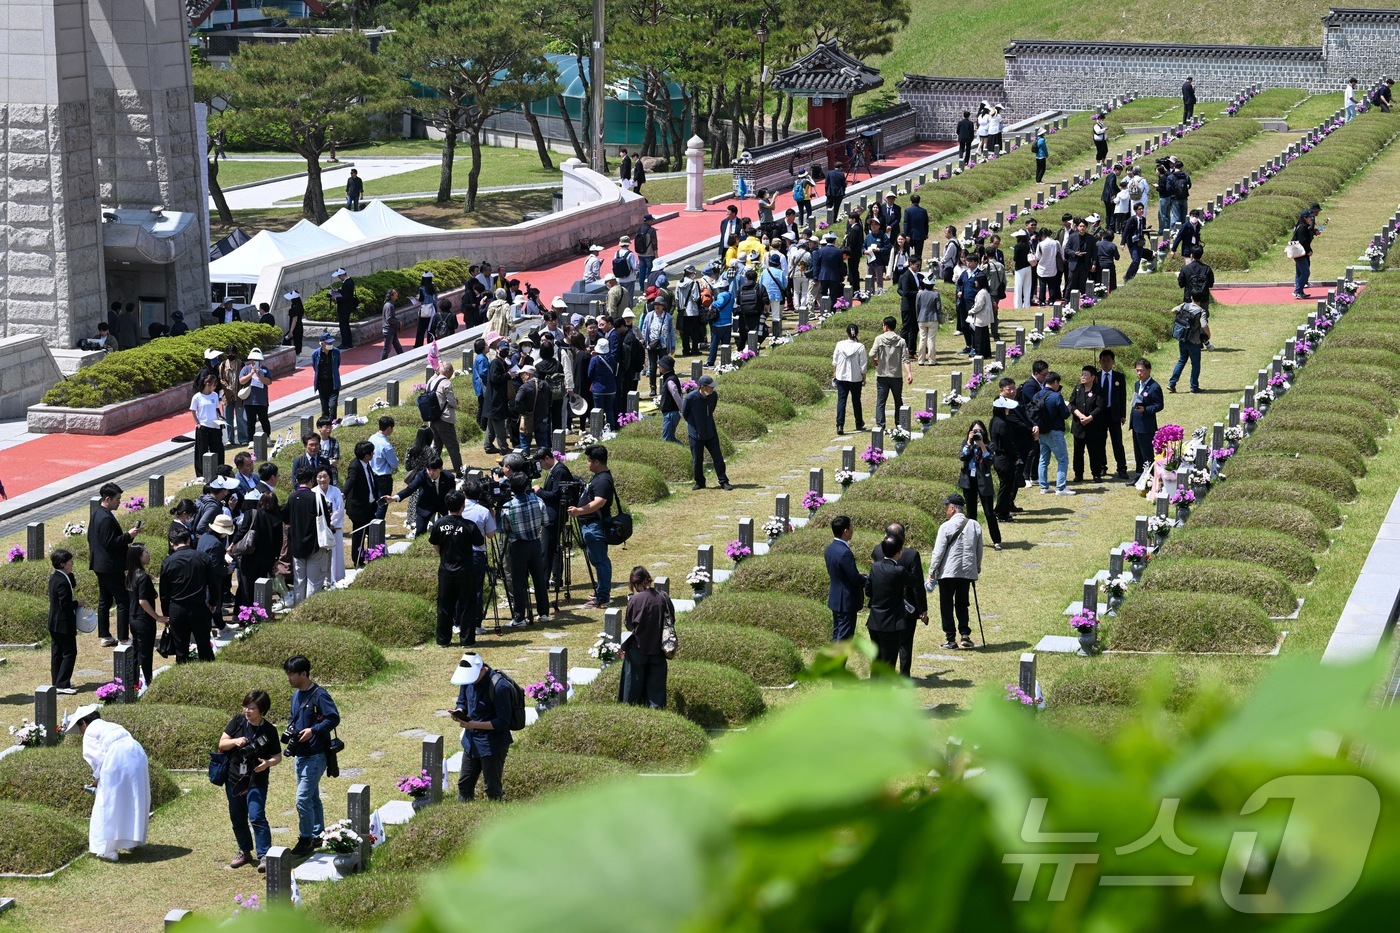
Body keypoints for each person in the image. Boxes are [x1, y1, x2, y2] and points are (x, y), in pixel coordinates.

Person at [66, 706, 149, 861]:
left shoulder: (90, 731)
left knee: (107, 802)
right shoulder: (111, 725)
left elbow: (96, 758)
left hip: (117, 757)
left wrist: (99, 778)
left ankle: (106, 849)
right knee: (132, 796)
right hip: (137, 753)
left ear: (83, 722)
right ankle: (130, 840)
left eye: (80, 728)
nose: (81, 732)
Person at [219, 690, 282, 871]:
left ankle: (265, 855)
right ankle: (244, 851)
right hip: (234, 778)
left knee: (256, 815)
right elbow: (222, 743)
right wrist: (235, 741)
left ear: (262, 710)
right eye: (245, 706)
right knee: (237, 817)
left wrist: (267, 763)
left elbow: (277, 756)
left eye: (252, 708)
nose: (247, 710)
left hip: (257, 778)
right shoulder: (238, 721)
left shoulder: (269, 730)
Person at [284, 655, 340, 857]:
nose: (289, 678)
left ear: (304, 674)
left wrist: (313, 730)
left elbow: (333, 718)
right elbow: (293, 718)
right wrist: (291, 729)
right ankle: (317, 834)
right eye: (287, 674)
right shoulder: (296, 695)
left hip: (316, 755)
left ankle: (305, 838)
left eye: (292, 674)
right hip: (300, 754)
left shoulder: (320, 695)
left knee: (302, 799)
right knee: (312, 796)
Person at [451, 651, 515, 802]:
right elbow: (462, 701)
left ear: (481, 669)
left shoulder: (499, 687)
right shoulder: (467, 679)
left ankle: (495, 814)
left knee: (492, 788)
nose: (470, 682)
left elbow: (502, 722)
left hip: (493, 744)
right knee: (464, 784)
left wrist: (474, 724)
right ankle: (464, 814)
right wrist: (459, 712)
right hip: (471, 741)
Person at [926, 493, 984, 650]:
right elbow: (979, 550)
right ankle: (965, 634)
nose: (945, 510)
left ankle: (950, 639)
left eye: (946, 507)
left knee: (946, 605)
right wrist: (976, 567)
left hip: (948, 572)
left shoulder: (945, 526)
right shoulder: (974, 525)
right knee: (963, 603)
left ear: (952, 508)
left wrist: (932, 571)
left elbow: (938, 552)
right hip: (967, 571)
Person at [429, 490, 485, 648]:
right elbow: (480, 543)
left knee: (444, 606)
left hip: (446, 570)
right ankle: (467, 640)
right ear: (462, 506)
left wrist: (444, 555)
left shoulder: (439, 524)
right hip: (465, 571)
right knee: (467, 605)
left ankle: (443, 640)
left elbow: (435, 544)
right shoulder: (469, 525)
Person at [89, 481, 139, 648]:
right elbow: (110, 542)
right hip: (111, 566)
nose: (119, 502)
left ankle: (105, 635)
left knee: (105, 600)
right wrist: (128, 536)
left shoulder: (97, 514)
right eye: (117, 499)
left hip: (99, 564)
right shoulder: (105, 518)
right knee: (123, 600)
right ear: (107, 499)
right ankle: (123, 638)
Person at [567, 445, 616, 610]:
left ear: (596, 462)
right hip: (591, 525)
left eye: (589, 460)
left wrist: (579, 511)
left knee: (600, 561)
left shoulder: (603, 480)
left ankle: (603, 597)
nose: (587, 463)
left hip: (595, 525)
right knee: (597, 559)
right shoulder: (599, 477)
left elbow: (599, 502)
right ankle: (601, 590)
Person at [618, 565, 672, 707]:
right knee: (656, 695)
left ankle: (631, 715)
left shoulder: (635, 600)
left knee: (631, 694)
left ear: (635, 583)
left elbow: (629, 625)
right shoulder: (663, 597)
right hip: (659, 649)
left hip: (638, 649)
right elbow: (671, 619)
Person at [501, 473, 551, 628]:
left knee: (518, 582)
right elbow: (546, 521)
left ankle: (519, 617)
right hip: (535, 543)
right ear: (526, 486)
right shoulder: (538, 501)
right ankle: (543, 613)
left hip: (518, 545)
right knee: (539, 579)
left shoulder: (508, 506)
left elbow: (505, 529)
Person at [159, 528, 213, 662]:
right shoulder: (203, 557)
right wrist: (212, 601)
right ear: (189, 540)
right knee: (205, 646)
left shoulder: (168, 562)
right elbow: (213, 583)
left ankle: (182, 670)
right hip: (199, 607)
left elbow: (164, 593)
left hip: (177, 608)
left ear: (171, 543)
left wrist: (166, 612)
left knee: (181, 651)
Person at [865, 535, 917, 669]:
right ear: (899, 552)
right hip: (891, 624)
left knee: (876, 661)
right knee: (888, 664)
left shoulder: (875, 567)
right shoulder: (899, 571)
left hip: (874, 621)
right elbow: (914, 581)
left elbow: (868, 591)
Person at [286, 467, 333, 604]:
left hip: (297, 546)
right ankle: (309, 611)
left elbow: (286, 518)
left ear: (296, 481)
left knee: (299, 582)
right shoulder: (317, 497)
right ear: (312, 480)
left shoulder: (292, 498)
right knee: (314, 582)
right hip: (316, 545)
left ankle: (298, 610)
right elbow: (327, 520)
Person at [990, 381, 1033, 521]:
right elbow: (1007, 444)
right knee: (1005, 487)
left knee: (1006, 486)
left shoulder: (995, 421)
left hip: (1000, 457)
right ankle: (1001, 513)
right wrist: (1015, 457)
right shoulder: (1002, 424)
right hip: (1005, 458)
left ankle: (1001, 511)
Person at [681, 375, 733, 491]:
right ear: (703, 387)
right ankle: (700, 482)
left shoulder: (713, 396)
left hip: (710, 431)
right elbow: (685, 413)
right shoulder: (690, 398)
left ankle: (723, 481)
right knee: (697, 460)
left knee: (718, 457)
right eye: (710, 387)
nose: (713, 389)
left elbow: (712, 409)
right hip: (695, 434)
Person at [460, 480, 497, 640]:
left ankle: (458, 622)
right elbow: (491, 534)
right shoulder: (483, 511)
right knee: (477, 590)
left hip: (459, 554)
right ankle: (476, 623)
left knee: (460, 589)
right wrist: (492, 513)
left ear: (464, 494)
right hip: (477, 555)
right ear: (480, 494)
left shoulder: (457, 508)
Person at [958, 421, 1002, 548]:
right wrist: (969, 441)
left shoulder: (989, 445)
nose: (977, 433)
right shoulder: (967, 444)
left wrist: (982, 446)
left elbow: (989, 461)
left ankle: (996, 540)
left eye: (980, 431)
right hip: (969, 481)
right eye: (975, 431)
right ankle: (971, 541)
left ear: (984, 432)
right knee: (971, 513)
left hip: (983, 481)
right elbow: (962, 456)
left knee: (989, 513)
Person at [125, 543, 162, 688]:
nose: (148, 554)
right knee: (145, 655)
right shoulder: (142, 576)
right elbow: (143, 601)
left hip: (133, 618)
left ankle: (135, 683)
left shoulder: (131, 574)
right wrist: (157, 617)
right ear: (139, 556)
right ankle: (146, 683)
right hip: (144, 620)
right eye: (146, 552)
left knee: (137, 653)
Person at [824, 515, 865, 642]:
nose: (853, 529)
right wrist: (869, 580)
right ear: (846, 531)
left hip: (836, 598)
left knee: (837, 635)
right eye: (851, 527)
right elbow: (855, 579)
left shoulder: (830, 548)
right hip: (846, 602)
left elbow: (840, 572)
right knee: (844, 639)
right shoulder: (845, 552)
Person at [1033, 372, 1073, 495]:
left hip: (1042, 432)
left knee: (1043, 460)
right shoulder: (1056, 396)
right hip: (1055, 432)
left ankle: (1044, 487)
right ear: (1055, 382)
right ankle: (1060, 488)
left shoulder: (1037, 395)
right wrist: (1069, 408)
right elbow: (1065, 414)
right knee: (1062, 459)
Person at [869, 316, 913, 428]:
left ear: (886, 326)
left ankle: (880, 425)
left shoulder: (879, 339)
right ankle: (899, 423)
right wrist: (909, 373)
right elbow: (905, 359)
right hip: (896, 375)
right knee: (898, 400)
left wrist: (874, 361)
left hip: (882, 375)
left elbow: (871, 353)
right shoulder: (901, 341)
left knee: (881, 402)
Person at [48, 548, 81, 694]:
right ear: (62, 564)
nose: (72, 563)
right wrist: (78, 603)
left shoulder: (56, 577)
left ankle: (57, 682)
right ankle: (62, 684)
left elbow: (72, 585)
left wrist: (70, 573)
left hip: (54, 622)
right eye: (69, 562)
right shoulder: (61, 581)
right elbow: (66, 604)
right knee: (69, 652)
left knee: (57, 653)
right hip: (63, 623)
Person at [1069, 365, 1108, 483]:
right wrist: (1080, 415)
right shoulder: (1078, 389)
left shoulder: (1099, 390)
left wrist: (1089, 418)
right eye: (1082, 374)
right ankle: (1078, 474)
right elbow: (1071, 404)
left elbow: (1100, 407)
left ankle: (1096, 474)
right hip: (1079, 425)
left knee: (1094, 451)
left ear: (1093, 377)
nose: (1083, 377)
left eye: (1086, 375)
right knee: (1078, 452)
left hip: (1094, 426)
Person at [1129, 358, 1164, 483]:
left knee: (1147, 453)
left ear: (1148, 371)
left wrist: (1146, 409)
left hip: (1146, 425)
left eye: (1142, 370)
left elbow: (1159, 405)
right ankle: (1139, 475)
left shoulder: (1154, 387)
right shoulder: (1137, 384)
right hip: (1136, 423)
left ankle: (1150, 477)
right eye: (1137, 370)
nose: (1139, 373)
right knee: (1138, 452)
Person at [1167, 300, 1210, 394]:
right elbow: (1204, 325)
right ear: (1201, 299)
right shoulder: (1201, 311)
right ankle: (1194, 387)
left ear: (1191, 297)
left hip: (1182, 338)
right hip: (1194, 341)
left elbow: (1173, 310)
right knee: (1195, 364)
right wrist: (1208, 335)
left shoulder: (1184, 305)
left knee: (1181, 361)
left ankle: (1171, 383)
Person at [832, 323, 868, 435]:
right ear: (857, 333)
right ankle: (859, 423)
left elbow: (835, 361)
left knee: (841, 401)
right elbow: (863, 365)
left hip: (841, 376)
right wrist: (864, 377)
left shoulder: (839, 345)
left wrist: (835, 372)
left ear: (846, 333)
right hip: (855, 377)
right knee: (856, 400)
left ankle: (840, 425)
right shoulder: (860, 347)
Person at [190, 372, 224, 476]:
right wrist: (197, 422)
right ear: (208, 384)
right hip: (203, 426)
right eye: (214, 385)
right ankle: (201, 473)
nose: (215, 387)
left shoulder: (214, 395)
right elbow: (193, 411)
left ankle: (219, 470)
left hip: (215, 425)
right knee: (201, 451)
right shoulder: (197, 397)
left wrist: (220, 417)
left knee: (218, 449)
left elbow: (216, 408)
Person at [238, 348, 273, 440]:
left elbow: (269, 381)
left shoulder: (265, 370)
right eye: (254, 360)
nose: (255, 362)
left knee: (264, 420)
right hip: (249, 401)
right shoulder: (246, 369)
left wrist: (259, 375)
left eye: (257, 360)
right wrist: (251, 374)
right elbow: (241, 381)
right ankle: (251, 440)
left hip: (262, 401)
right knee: (250, 421)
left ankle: (267, 437)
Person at [369, 416, 399, 520]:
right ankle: (378, 527)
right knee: (382, 504)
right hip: (383, 478)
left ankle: (371, 526)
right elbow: (394, 463)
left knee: (373, 503)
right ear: (389, 428)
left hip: (372, 476)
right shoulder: (386, 445)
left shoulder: (372, 438)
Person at [310, 333, 341, 419]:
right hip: (322, 382)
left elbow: (337, 364)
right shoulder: (316, 354)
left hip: (333, 381)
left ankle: (333, 421)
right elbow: (315, 367)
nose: (330, 345)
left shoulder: (336, 352)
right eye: (328, 343)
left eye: (331, 343)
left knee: (333, 404)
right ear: (322, 343)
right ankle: (325, 423)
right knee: (324, 406)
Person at [915, 274, 942, 366]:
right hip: (933, 318)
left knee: (922, 339)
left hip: (921, 318)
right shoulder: (936, 294)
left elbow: (917, 307)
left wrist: (918, 317)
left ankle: (921, 360)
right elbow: (938, 308)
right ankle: (931, 360)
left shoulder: (919, 294)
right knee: (931, 339)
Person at [1290, 210, 1318, 300]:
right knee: (1305, 272)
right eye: (1309, 217)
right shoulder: (1303, 227)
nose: (1311, 218)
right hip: (1300, 253)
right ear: (1305, 218)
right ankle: (1297, 291)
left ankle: (1300, 292)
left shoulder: (1301, 226)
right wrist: (1309, 250)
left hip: (1299, 253)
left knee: (1299, 273)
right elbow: (1303, 242)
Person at [968, 273, 995, 358]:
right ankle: (987, 354)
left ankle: (979, 354)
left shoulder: (981, 293)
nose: (975, 282)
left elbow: (979, 306)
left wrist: (971, 311)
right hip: (985, 317)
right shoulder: (986, 291)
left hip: (981, 318)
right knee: (985, 337)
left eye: (976, 281)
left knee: (979, 338)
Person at [1121, 202, 1148, 281]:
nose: (1142, 210)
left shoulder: (1143, 219)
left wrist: (1147, 231)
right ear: (1136, 211)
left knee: (1138, 261)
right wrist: (1123, 243)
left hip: (1140, 242)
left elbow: (1142, 230)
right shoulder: (1132, 219)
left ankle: (1132, 277)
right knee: (1135, 260)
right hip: (1132, 242)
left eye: (1142, 209)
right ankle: (1127, 276)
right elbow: (1126, 231)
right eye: (1140, 209)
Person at [331, 269, 356, 349]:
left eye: (339, 276)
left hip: (344, 308)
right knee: (346, 325)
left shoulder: (347, 283)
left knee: (343, 325)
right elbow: (345, 293)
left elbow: (346, 297)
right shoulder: (349, 281)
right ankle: (348, 343)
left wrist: (335, 298)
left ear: (342, 275)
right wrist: (338, 291)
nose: (339, 278)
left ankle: (345, 343)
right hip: (347, 307)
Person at [904, 194, 929, 260]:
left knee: (908, 254)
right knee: (918, 254)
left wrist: (906, 235)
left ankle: (909, 265)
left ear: (911, 201)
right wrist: (926, 233)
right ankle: (918, 265)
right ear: (919, 201)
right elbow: (926, 223)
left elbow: (906, 223)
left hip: (910, 235)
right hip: (920, 235)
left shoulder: (908, 210)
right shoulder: (923, 211)